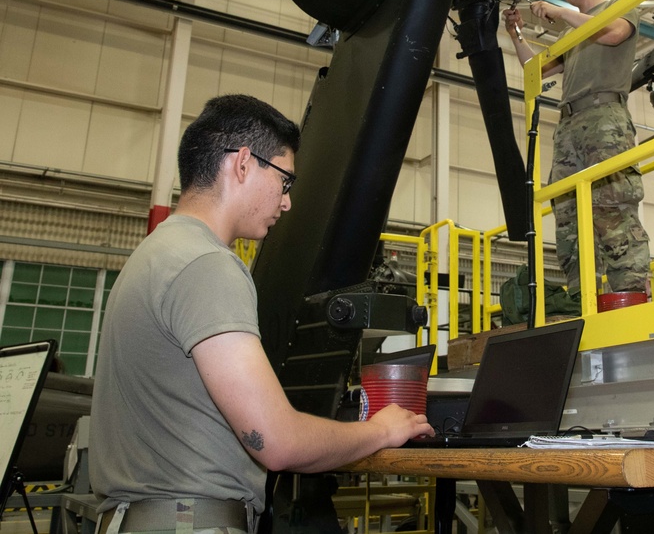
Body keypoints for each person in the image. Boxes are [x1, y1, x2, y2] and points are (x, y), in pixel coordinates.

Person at [90, 95, 432, 534]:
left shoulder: (156, 254)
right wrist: (381, 430)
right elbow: (277, 441)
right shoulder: (207, 265)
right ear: (244, 164)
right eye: (285, 181)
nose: (287, 203)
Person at [504, 0, 650, 296]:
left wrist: (560, 12)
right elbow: (535, 70)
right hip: (569, 125)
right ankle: (581, 298)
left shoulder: (620, 8)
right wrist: (516, 33)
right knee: (568, 215)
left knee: (612, 208)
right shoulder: (572, 33)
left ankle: (629, 294)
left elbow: (613, 33)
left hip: (605, 118)